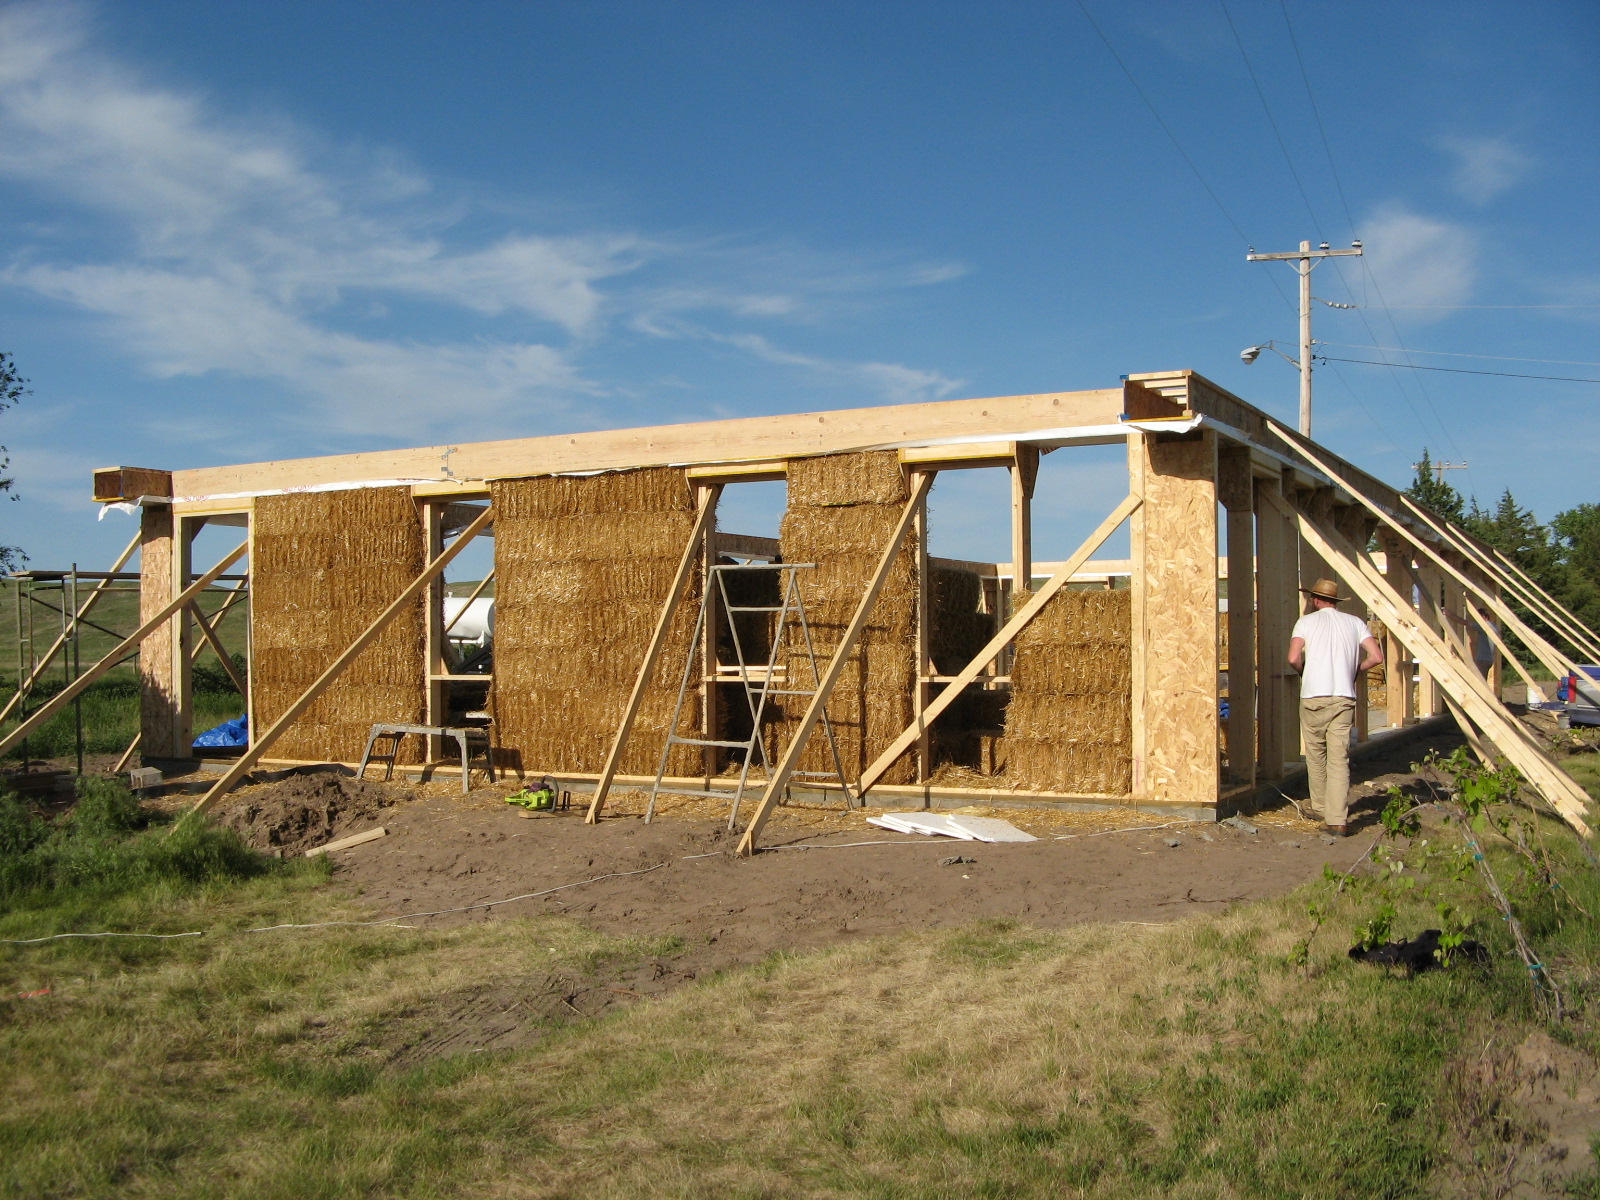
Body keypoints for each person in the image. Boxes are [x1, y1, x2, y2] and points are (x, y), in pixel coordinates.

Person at [1287, 577, 1383, 836]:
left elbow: (1293, 657)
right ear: (1335, 600)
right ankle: (1337, 818)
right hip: (1343, 695)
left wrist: (1303, 671)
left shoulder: (1305, 622)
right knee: (1339, 759)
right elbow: (1376, 657)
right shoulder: (1355, 623)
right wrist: (1356, 668)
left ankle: (1319, 807)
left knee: (1316, 754)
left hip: (1313, 696)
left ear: (1315, 599)